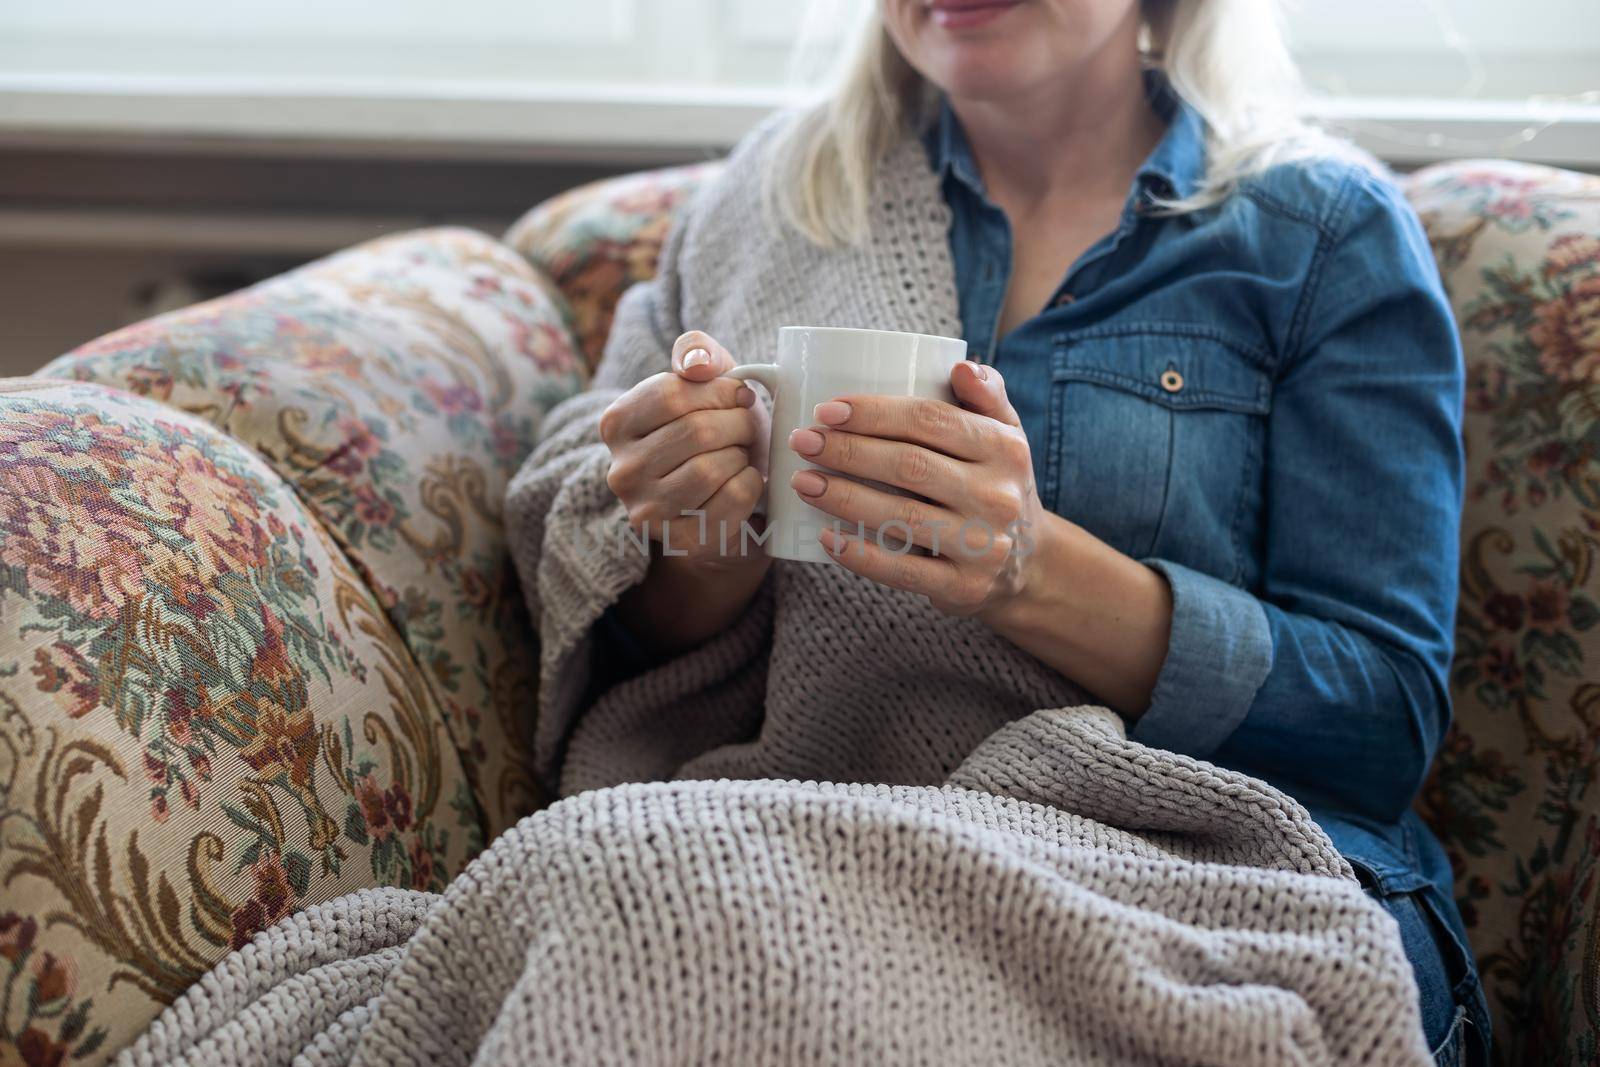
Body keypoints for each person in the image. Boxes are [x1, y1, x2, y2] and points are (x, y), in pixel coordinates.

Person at [525, 1, 1489, 1062]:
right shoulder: (769, 203)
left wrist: (1029, 569)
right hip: (823, 839)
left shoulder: (1319, 232)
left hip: (1199, 875)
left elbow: (1380, 722)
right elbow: (628, 636)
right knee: (616, 870)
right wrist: (705, 527)